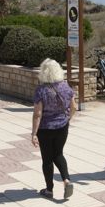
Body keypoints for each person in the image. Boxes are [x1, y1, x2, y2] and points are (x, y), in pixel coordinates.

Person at [31, 58, 78, 199]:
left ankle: (49, 190)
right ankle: (66, 180)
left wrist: (34, 133)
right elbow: (74, 107)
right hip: (62, 126)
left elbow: (37, 114)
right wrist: (68, 118)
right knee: (58, 154)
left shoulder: (41, 90)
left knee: (47, 159)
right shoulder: (65, 87)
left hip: (45, 129)